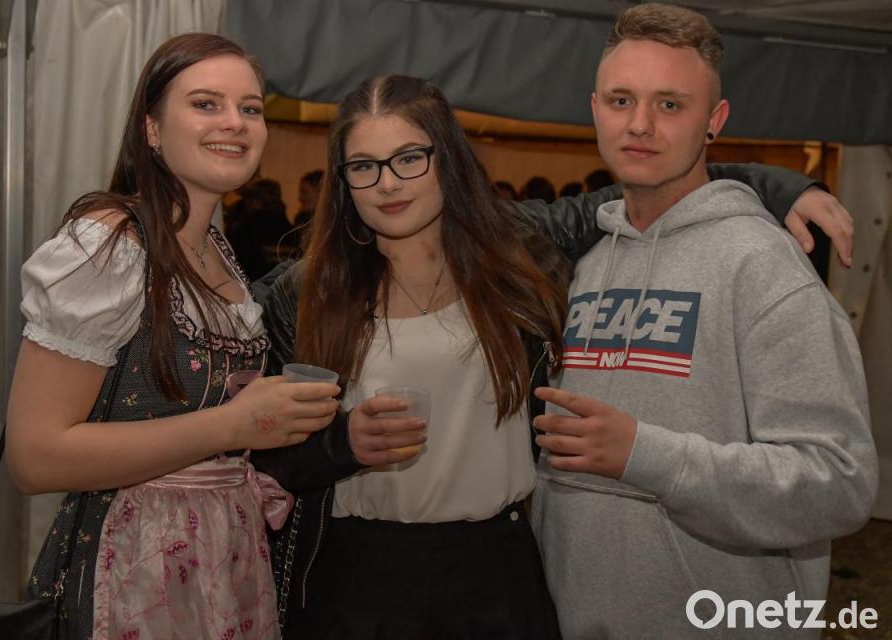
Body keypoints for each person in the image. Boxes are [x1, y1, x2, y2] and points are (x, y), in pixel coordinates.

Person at [260, 74, 856, 638]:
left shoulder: (516, 248)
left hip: (497, 569)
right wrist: (343, 443)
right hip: (357, 579)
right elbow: (269, 459)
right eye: (364, 166)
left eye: (409, 158)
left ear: (448, 160)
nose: (388, 183)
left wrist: (780, 186)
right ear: (344, 180)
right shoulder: (306, 293)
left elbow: (651, 184)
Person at [529, 5, 878, 638]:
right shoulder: (586, 264)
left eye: (670, 105)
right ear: (595, 110)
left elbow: (839, 484)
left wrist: (647, 455)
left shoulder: (763, 267)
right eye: (621, 100)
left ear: (714, 121)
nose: (640, 124)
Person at [6, 33, 344, 640]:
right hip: (130, 569)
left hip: (223, 558)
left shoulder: (216, 248)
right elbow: (35, 457)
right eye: (206, 103)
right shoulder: (108, 245)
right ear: (152, 129)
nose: (235, 122)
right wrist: (232, 426)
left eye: (250, 108)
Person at [227, 178, 294, 280]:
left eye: (250, 199)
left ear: (257, 201)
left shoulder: (249, 228)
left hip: (256, 283)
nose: (247, 203)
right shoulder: (289, 227)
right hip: (283, 283)